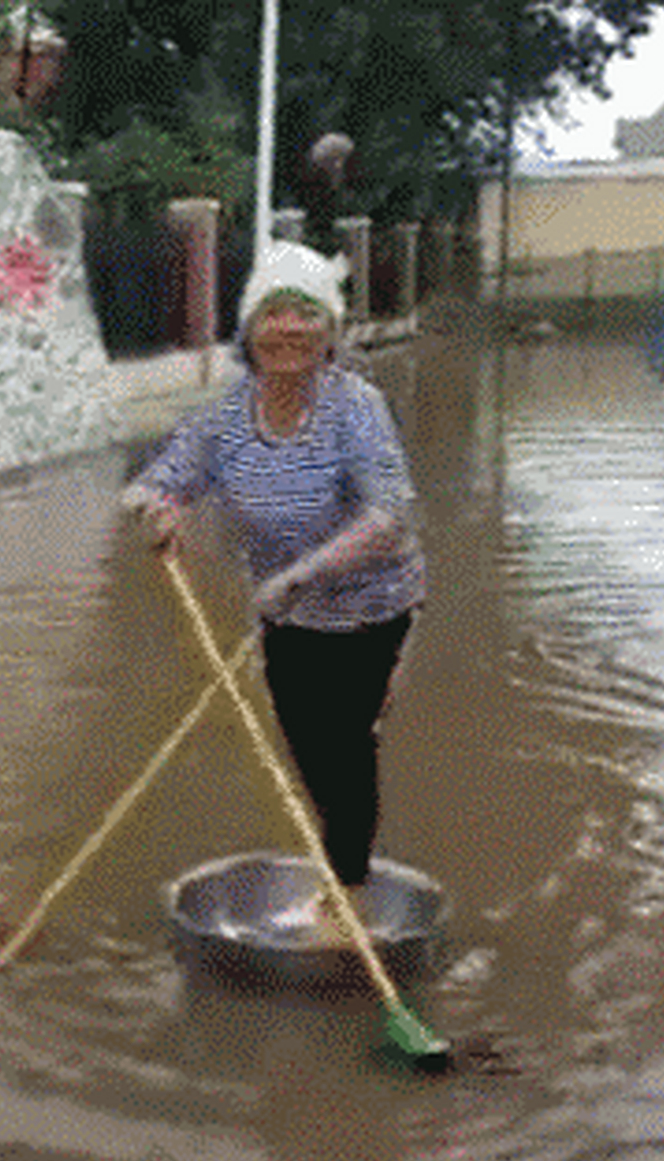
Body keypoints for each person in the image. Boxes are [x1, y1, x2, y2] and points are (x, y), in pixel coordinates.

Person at [124, 240, 425, 895]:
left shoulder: (356, 408)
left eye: (307, 314)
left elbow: (390, 518)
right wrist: (159, 508)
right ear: (250, 328)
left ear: (330, 332)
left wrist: (300, 575)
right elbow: (159, 480)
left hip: (372, 605)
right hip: (282, 614)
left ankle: (345, 886)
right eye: (274, 313)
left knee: (345, 752)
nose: (289, 328)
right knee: (307, 747)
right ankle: (342, 855)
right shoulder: (227, 417)